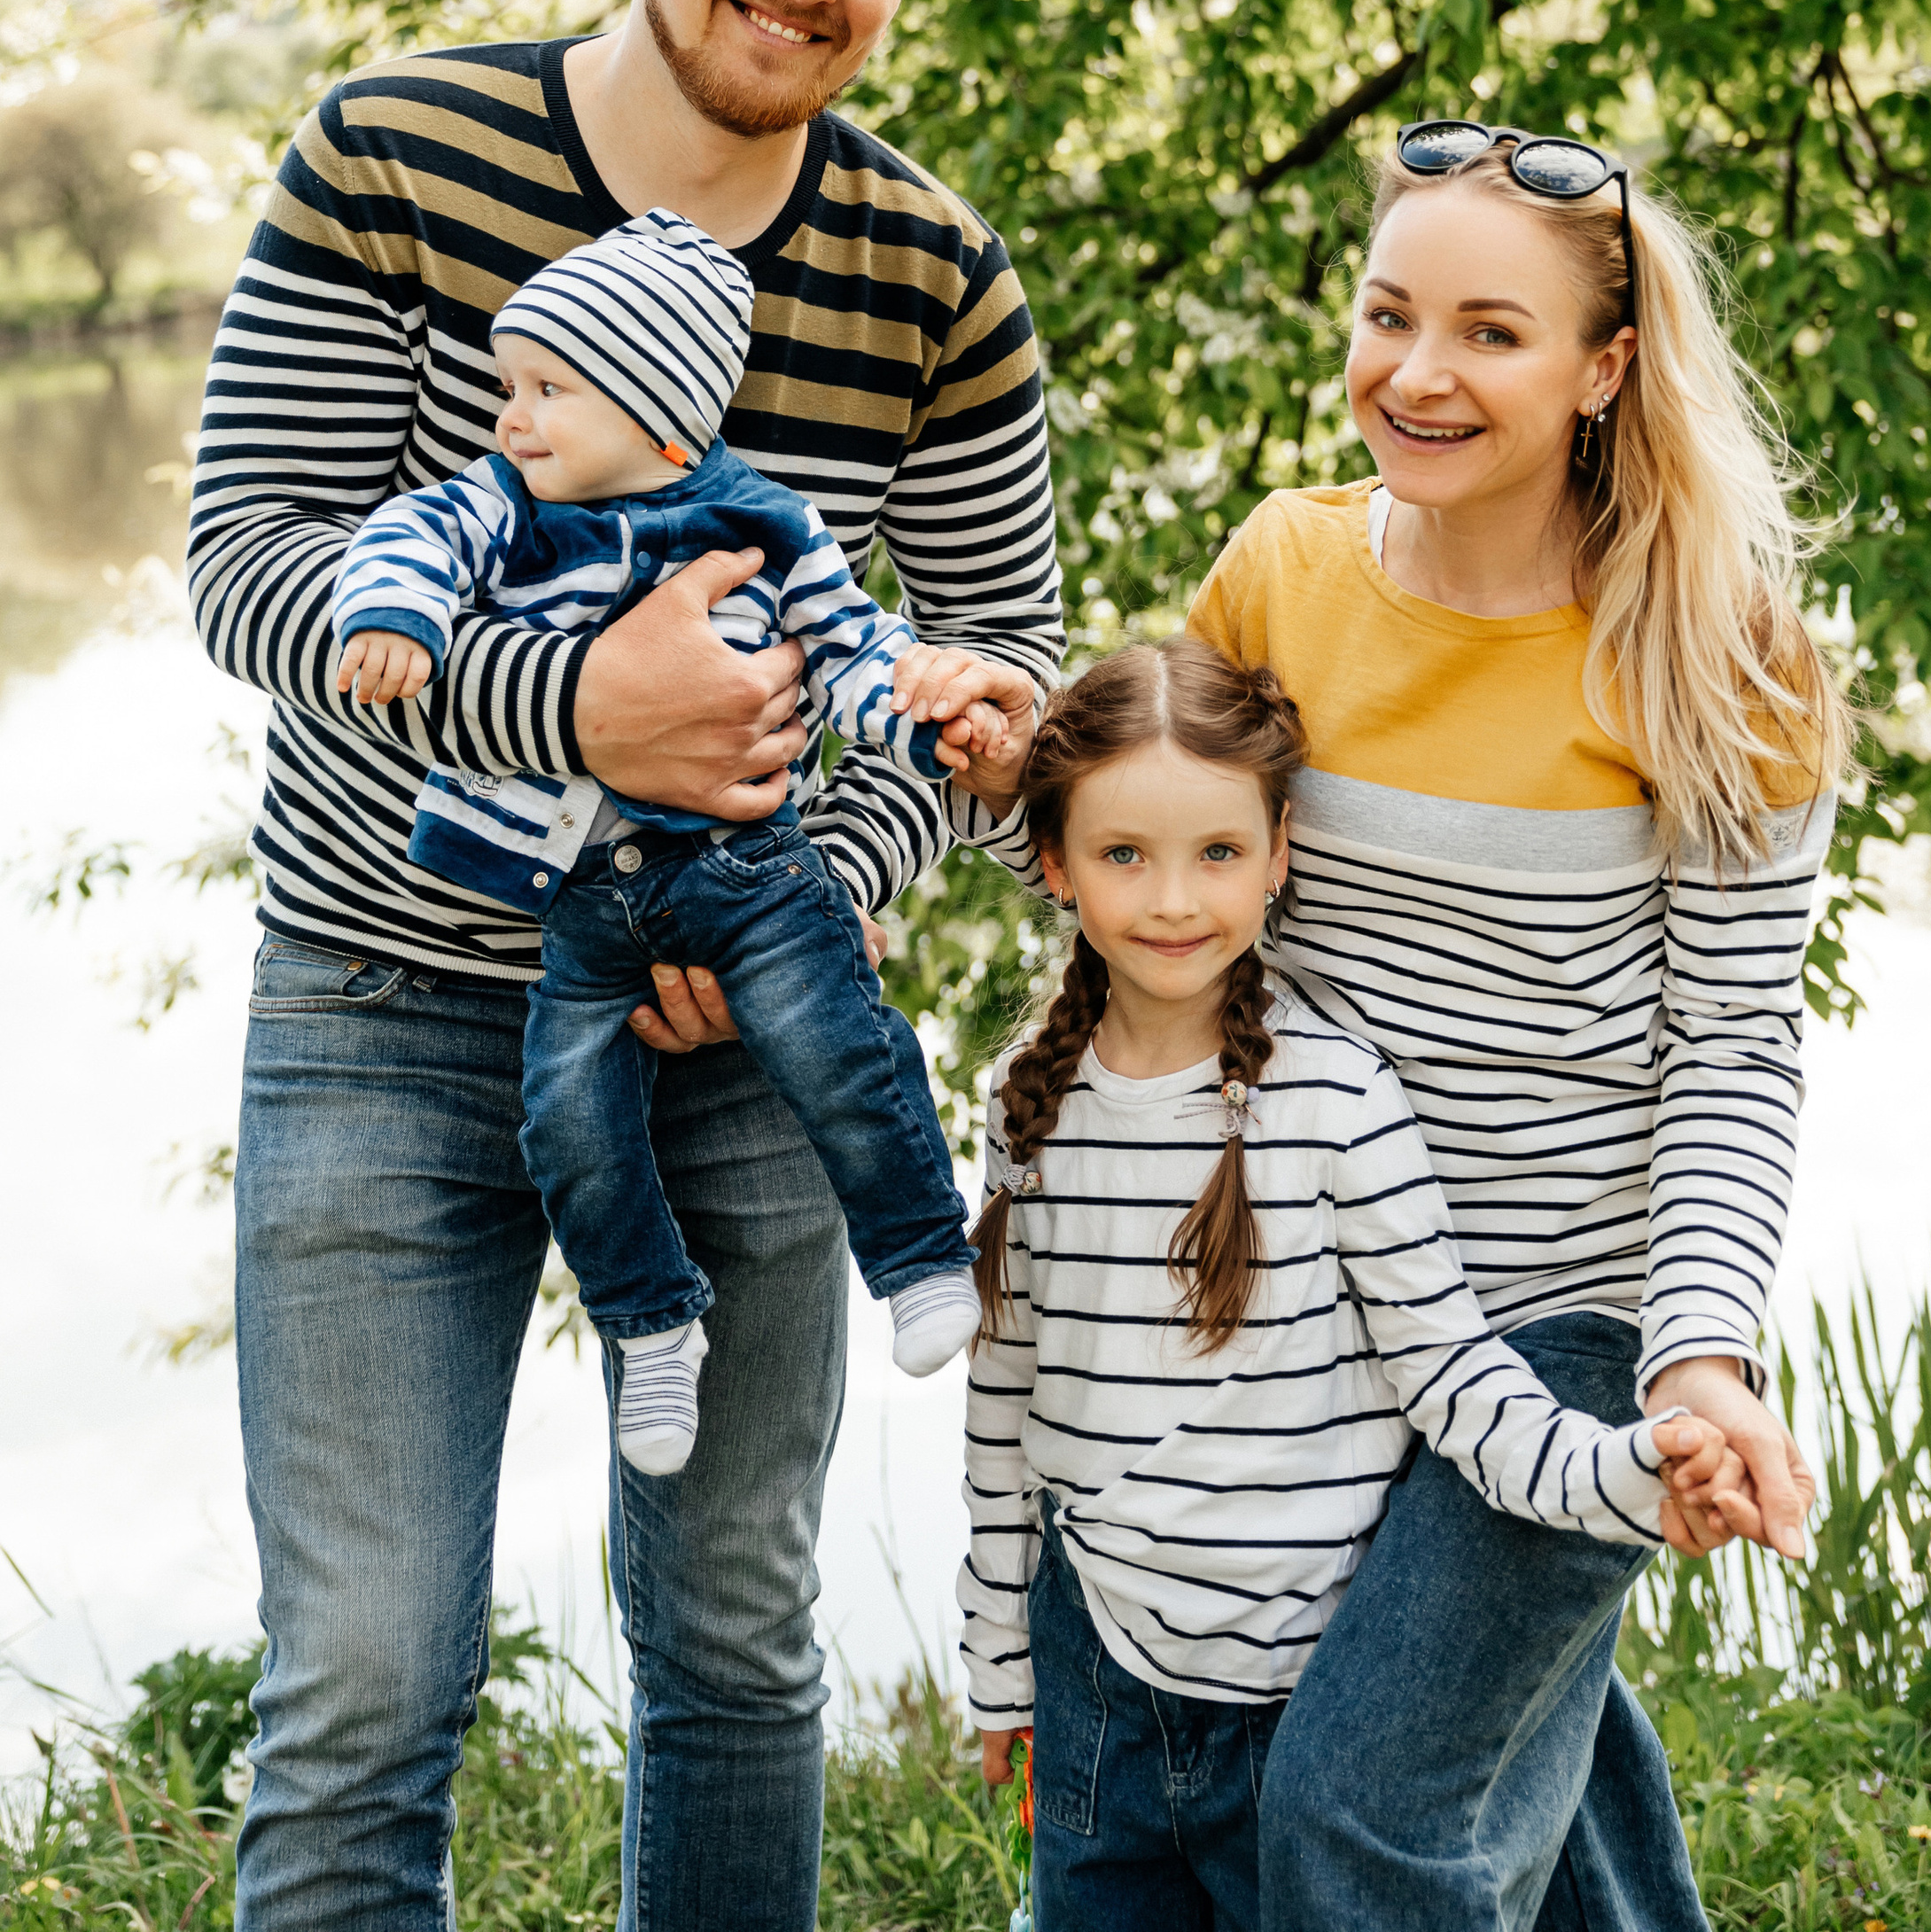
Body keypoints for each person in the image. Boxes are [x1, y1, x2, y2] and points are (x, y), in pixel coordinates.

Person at [188, 0, 1064, 1932]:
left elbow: (998, 676)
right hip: (387, 1011)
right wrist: (581, 705)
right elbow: (253, 568)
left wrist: (798, 897)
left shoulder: (935, 279)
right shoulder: (397, 155)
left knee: (735, 1647)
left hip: (739, 1046)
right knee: (365, 1676)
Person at [1181, 120, 1852, 1930]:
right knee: (1500, 1755)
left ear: (1601, 369)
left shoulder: (1719, 651)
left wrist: (1693, 1359)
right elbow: (1164, 892)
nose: (1416, 372)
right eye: (1389, 313)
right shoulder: (1279, 575)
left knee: (1360, 1811)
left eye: (1489, 331)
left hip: (1563, 1321)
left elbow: (1733, 1051)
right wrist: (1001, 770)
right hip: (1320, 1307)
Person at [958, 639, 1751, 1932]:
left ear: (1281, 853)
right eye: (1124, 854)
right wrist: (1001, 1663)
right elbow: (1003, 1413)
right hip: (1101, 1685)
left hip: (1299, 1695)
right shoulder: (1027, 1110)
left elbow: (1454, 1378)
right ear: (1055, 863)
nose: (1174, 899)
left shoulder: (1338, 1100)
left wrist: (1622, 1471)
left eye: (1220, 852)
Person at [331, 202, 1032, 1471]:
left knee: (835, 1040)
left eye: (548, 389)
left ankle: (924, 1256)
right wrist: (399, 618)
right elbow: (407, 534)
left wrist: (932, 727)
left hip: (751, 872)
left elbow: (857, 650)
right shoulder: (505, 506)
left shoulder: (768, 523)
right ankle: (652, 1322)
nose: (511, 419)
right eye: (510, 387)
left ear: (661, 416)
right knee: (568, 1116)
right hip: (582, 901)